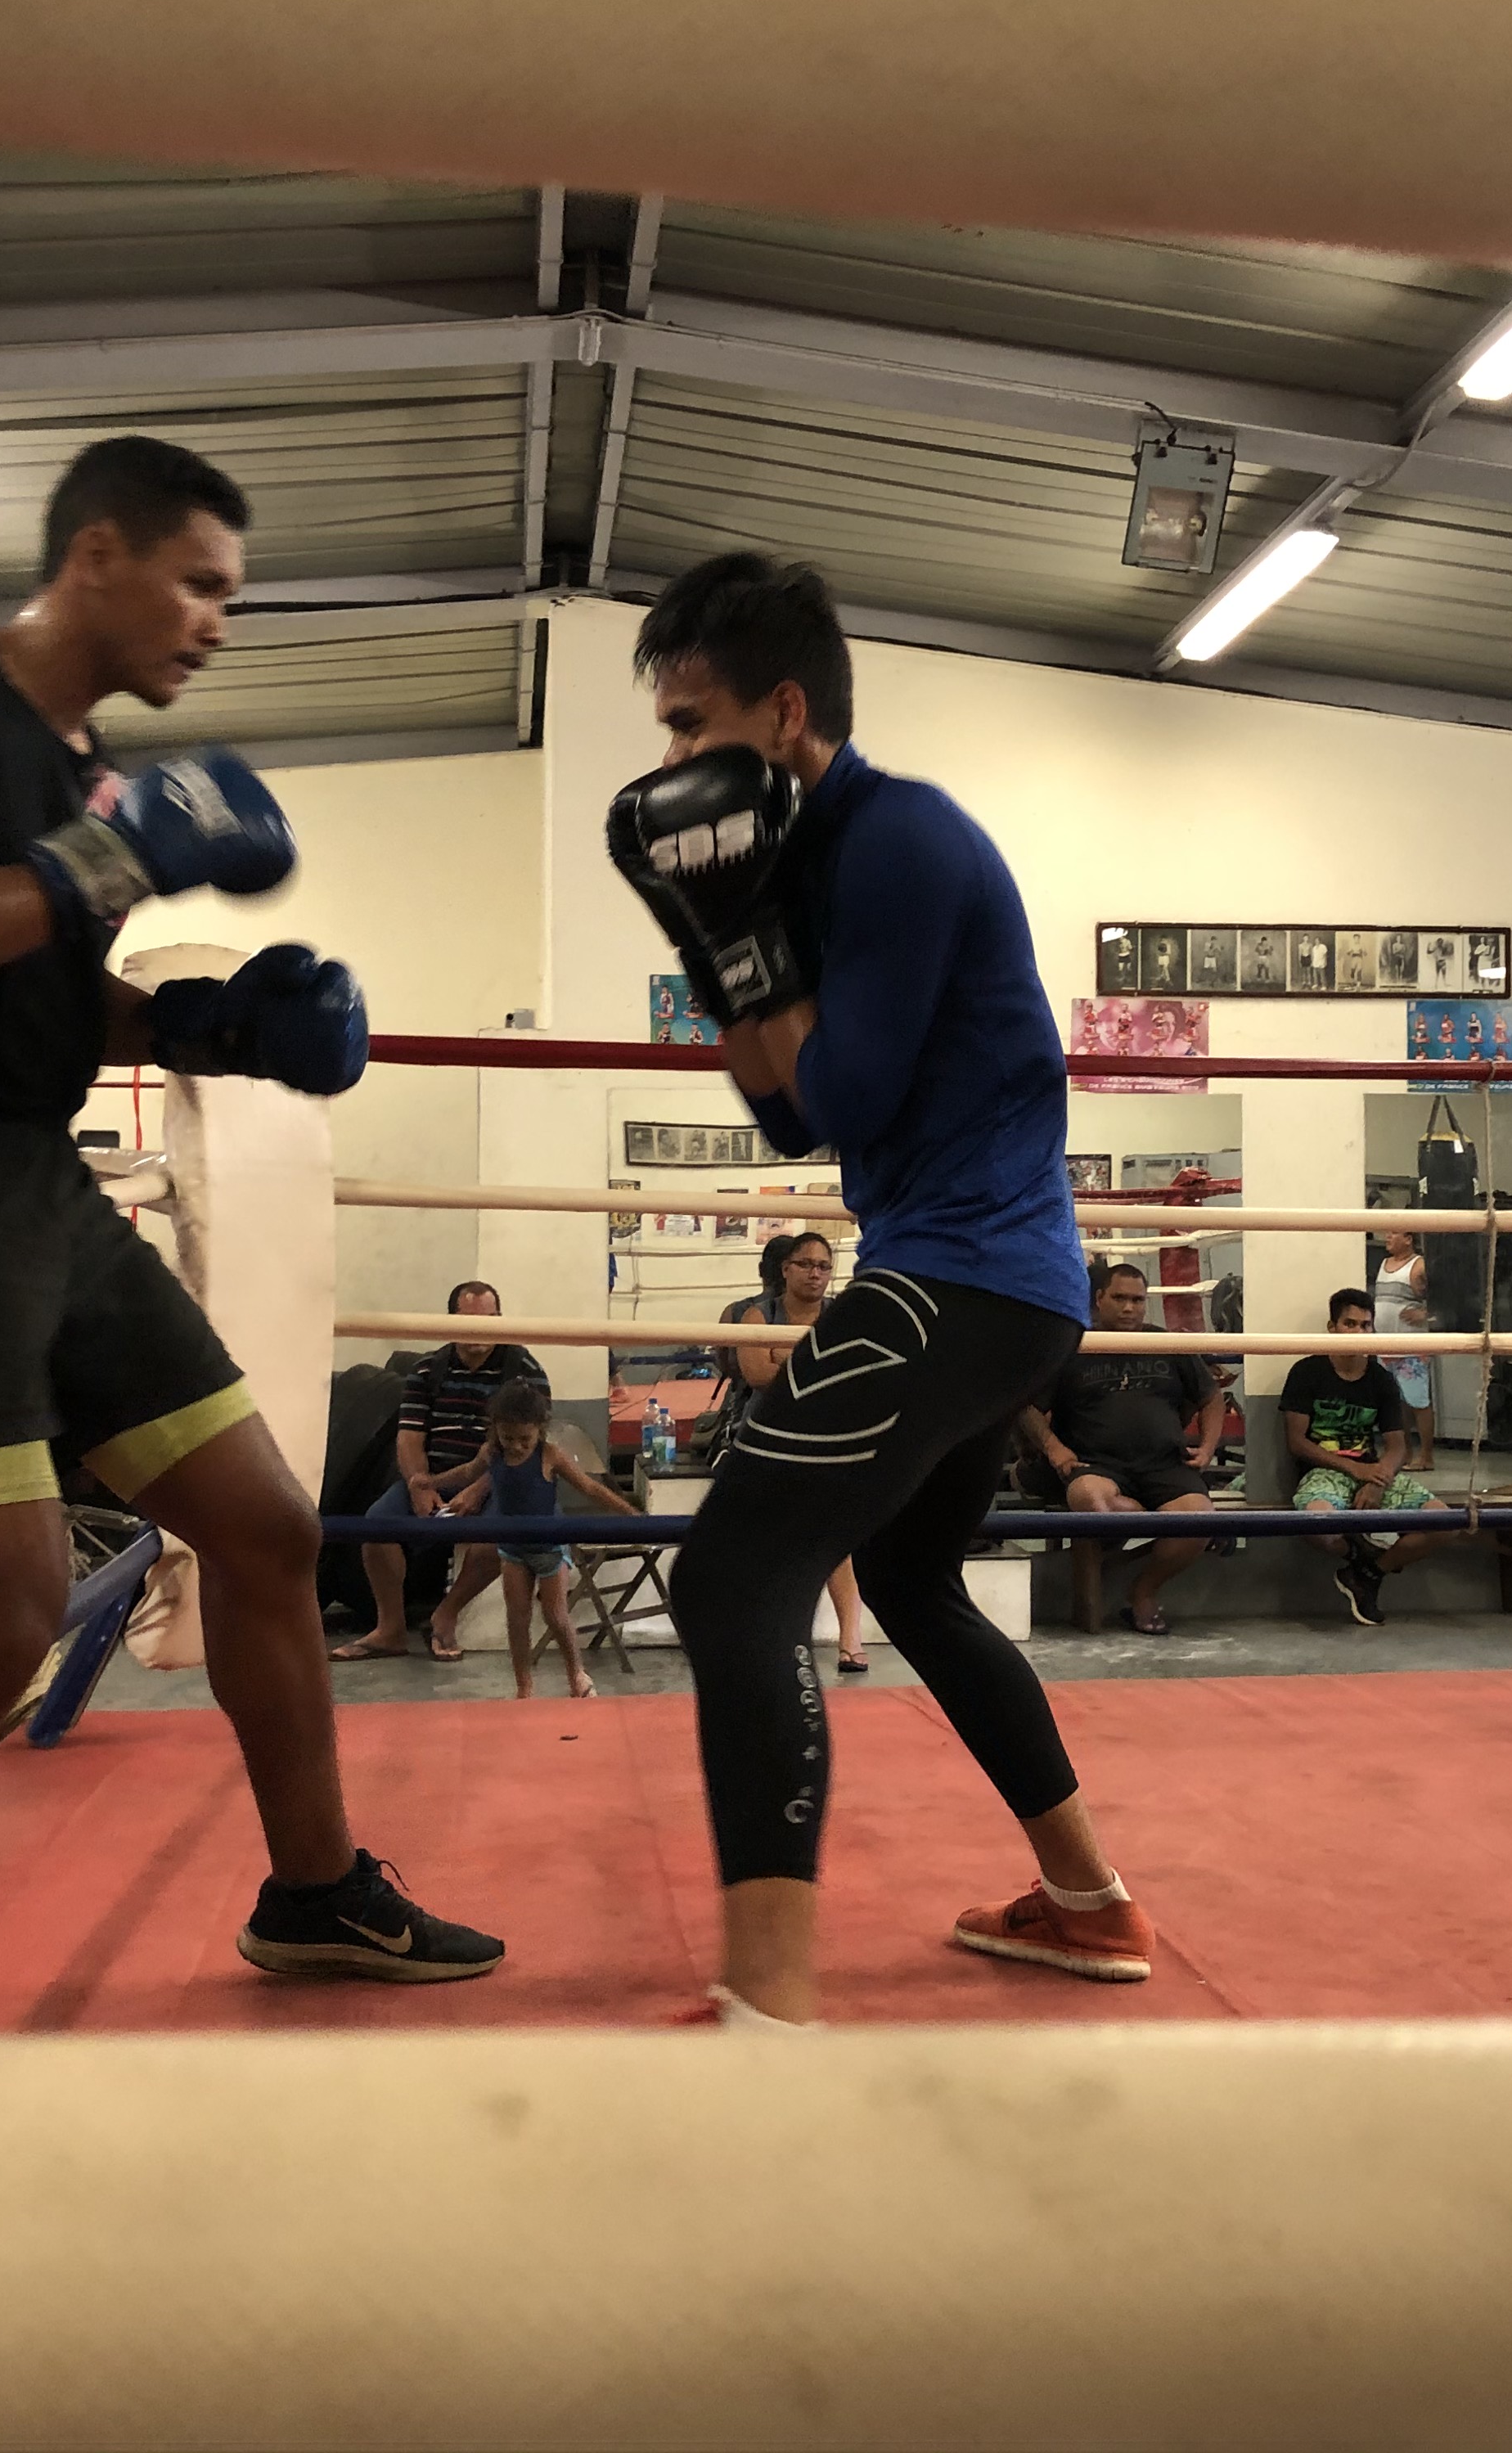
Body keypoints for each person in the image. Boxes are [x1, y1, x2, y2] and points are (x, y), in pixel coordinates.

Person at [0, 435, 502, 2036]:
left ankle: (311, 1892)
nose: (218, 623)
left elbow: (29, 967)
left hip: (47, 1185)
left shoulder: (85, 768)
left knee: (270, 1530)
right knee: (3, 1617)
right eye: (202, 584)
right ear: (100, 556)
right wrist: (118, 851)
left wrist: (211, 1026)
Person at [610, 551, 1146, 2028]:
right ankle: (1089, 1903)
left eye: (686, 722)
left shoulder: (901, 841)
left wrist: (731, 937)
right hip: (982, 1280)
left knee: (729, 1577)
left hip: (962, 1276)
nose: (667, 762)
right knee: (908, 1578)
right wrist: (715, 943)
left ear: (783, 712)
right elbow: (786, 1121)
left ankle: (768, 1996)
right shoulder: (806, 868)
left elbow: (836, 1087)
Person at [331, 1282, 547, 1662]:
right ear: (450, 1322)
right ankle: (391, 1628)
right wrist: (419, 1485)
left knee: (495, 1541)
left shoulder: (523, 1372)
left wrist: (480, 1489)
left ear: (500, 1321)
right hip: (437, 1474)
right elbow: (410, 1437)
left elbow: (527, 1448)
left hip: (498, 1476)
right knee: (376, 1526)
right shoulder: (427, 1369)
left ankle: (445, 1615)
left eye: (489, 1321)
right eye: (470, 1321)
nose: (480, 1331)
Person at [1022, 1261, 1226, 1636]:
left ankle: (1142, 1591)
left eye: (1137, 1299)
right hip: (1098, 1467)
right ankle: (1139, 1522)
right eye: (1120, 1298)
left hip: (1165, 1466)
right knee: (1090, 1500)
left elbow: (1212, 1398)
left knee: (1202, 1519)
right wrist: (1054, 1448)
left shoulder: (1165, 1344)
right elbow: (1028, 1406)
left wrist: (1208, 1448)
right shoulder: (1076, 1346)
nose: (1129, 1307)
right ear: (1099, 1299)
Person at [716, 1231, 868, 1674]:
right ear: (786, 1269)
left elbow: (856, 1374)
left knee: (834, 1535)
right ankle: (769, 1637)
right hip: (766, 1438)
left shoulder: (842, 1313)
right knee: (773, 1539)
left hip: (829, 1437)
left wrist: (788, 1357)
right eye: (806, 1264)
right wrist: (817, 1362)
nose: (816, 1273)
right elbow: (756, 1373)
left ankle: (850, 1637)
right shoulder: (757, 1313)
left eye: (823, 1265)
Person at [430, 1378, 636, 1699]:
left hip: (550, 1546)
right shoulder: (491, 1454)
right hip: (512, 1548)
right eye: (507, 1437)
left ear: (540, 1429)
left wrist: (631, 1515)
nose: (516, 1446)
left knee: (555, 1615)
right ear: (495, 1429)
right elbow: (467, 1474)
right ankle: (524, 1686)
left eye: (524, 1439)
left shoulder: (549, 1455)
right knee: (517, 1617)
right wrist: (429, 1482)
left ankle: (576, 1674)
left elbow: (590, 1488)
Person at [1280, 1289, 1459, 1627]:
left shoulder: (1381, 1379)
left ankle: (1368, 1573)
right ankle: (1360, 1554)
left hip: (1372, 1472)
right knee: (1321, 1529)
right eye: (1350, 1324)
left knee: (1445, 1524)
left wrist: (1379, 1481)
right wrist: (1357, 1470)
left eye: (1366, 1325)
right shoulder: (1307, 1372)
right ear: (1332, 1327)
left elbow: (1397, 1446)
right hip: (1324, 1471)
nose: (1359, 1333)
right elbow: (1297, 1442)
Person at [1370, 1226, 1436, 1470]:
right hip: (1386, 1347)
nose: (1387, 1237)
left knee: (1418, 1402)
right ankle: (1405, 1453)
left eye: (1394, 1233)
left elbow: (1444, 1300)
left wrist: (1426, 1315)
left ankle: (1427, 1456)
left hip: (1411, 1347)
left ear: (1409, 1239)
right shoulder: (1384, 1264)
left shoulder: (1419, 1266)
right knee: (1396, 1403)